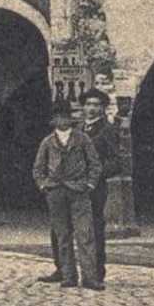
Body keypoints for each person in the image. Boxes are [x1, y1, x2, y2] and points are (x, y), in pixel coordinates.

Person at [39, 89, 121, 283]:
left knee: (92, 229)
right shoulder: (76, 131)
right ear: (82, 107)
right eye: (88, 104)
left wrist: (93, 178)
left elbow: (116, 162)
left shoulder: (108, 131)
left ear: (102, 108)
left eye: (96, 105)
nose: (91, 108)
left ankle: (95, 271)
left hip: (93, 188)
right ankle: (62, 268)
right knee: (60, 228)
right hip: (68, 187)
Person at [33, 105, 103, 290]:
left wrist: (89, 184)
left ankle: (90, 277)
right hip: (56, 192)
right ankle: (68, 275)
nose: (62, 121)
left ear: (70, 119)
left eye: (65, 117)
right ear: (53, 121)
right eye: (58, 117)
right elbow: (38, 168)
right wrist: (44, 186)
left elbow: (95, 164)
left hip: (78, 190)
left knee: (85, 234)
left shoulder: (82, 139)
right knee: (62, 235)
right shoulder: (48, 142)